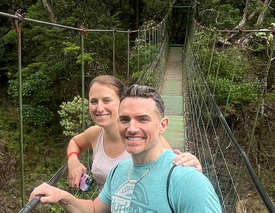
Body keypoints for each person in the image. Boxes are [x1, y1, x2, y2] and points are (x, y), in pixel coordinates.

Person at [34, 84, 222, 213]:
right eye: (125, 120)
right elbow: (94, 209)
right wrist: (61, 196)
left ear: (163, 125)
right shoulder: (119, 171)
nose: (131, 128)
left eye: (143, 119)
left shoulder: (187, 180)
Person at [66, 76, 200, 189]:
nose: (100, 108)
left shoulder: (142, 138)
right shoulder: (95, 134)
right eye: (94, 101)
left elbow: (174, 168)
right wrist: (73, 161)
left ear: (122, 102)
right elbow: (75, 142)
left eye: (107, 100)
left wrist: (192, 168)